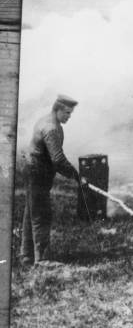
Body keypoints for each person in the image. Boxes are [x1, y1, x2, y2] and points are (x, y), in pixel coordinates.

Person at [20, 95, 81, 266]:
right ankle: (43, 259)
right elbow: (58, 159)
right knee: (42, 214)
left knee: (31, 212)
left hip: (33, 170)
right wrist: (76, 176)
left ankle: (26, 255)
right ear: (58, 109)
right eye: (67, 113)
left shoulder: (45, 120)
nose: (69, 116)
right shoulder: (52, 128)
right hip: (37, 172)